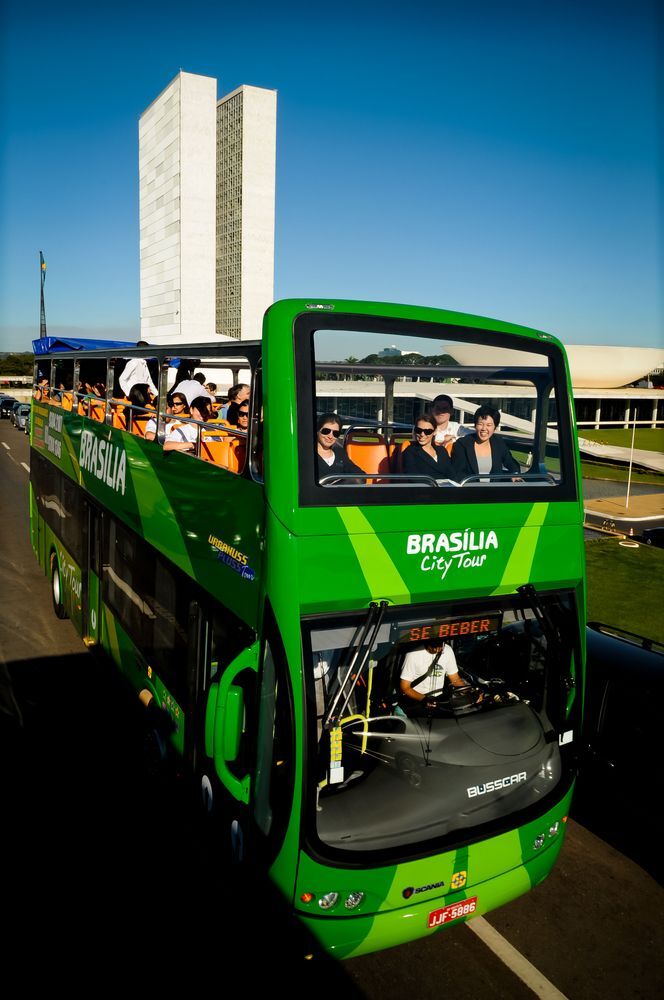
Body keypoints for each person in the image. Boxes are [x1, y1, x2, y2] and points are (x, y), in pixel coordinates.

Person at [452, 405, 521, 483]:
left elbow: (511, 462)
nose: (484, 428)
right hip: (470, 491)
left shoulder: (498, 442)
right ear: (475, 425)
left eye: (489, 425)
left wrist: (515, 474)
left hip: (494, 491)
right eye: (480, 424)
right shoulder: (462, 444)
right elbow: (459, 473)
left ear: (495, 427)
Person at [400, 640, 466, 711]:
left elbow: (455, 678)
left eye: (440, 645)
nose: (437, 649)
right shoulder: (413, 655)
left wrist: (469, 691)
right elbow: (405, 687)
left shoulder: (448, 651)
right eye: (434, 646)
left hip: (439, 702)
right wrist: (424, 699)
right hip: (418, 702)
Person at [402, 412, 454, 480]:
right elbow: (413, 478)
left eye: (428, 431)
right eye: (418, 430)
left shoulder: (442, 451)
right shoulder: (410, 452)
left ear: (434, 432)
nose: (422, 434)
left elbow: (452, 474)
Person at [316, 413, 364, 482]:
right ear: (317, 431)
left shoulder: (340, 453)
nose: (330, 436)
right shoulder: (308, 454)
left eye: (335, 433)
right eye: (326, 431)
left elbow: (360, 475)